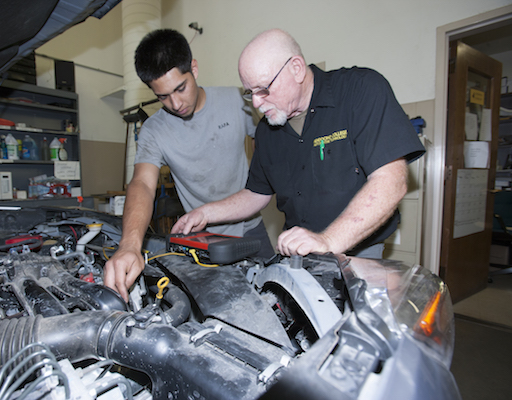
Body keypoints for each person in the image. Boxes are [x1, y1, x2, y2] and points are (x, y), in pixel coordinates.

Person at [172, 28, 425, 260]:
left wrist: (327, 240)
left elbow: (391, 181)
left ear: (296, 68)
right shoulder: (267, 131)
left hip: (359, 250)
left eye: (264, 89)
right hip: (297, 255)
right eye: (250, 92)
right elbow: (256, 193)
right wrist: (205, 213)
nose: (257, 103)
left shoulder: (361, 90)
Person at [104, 29, 274, 301]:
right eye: (162, 97)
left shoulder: (236, 102)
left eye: (180, 88)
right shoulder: (153, 130)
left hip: (249, 228)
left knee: (273, 301)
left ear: (193, 68)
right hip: (199, 238)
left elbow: (266, 152)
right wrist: (129, 245)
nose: (175, 103)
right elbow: (143, 184)